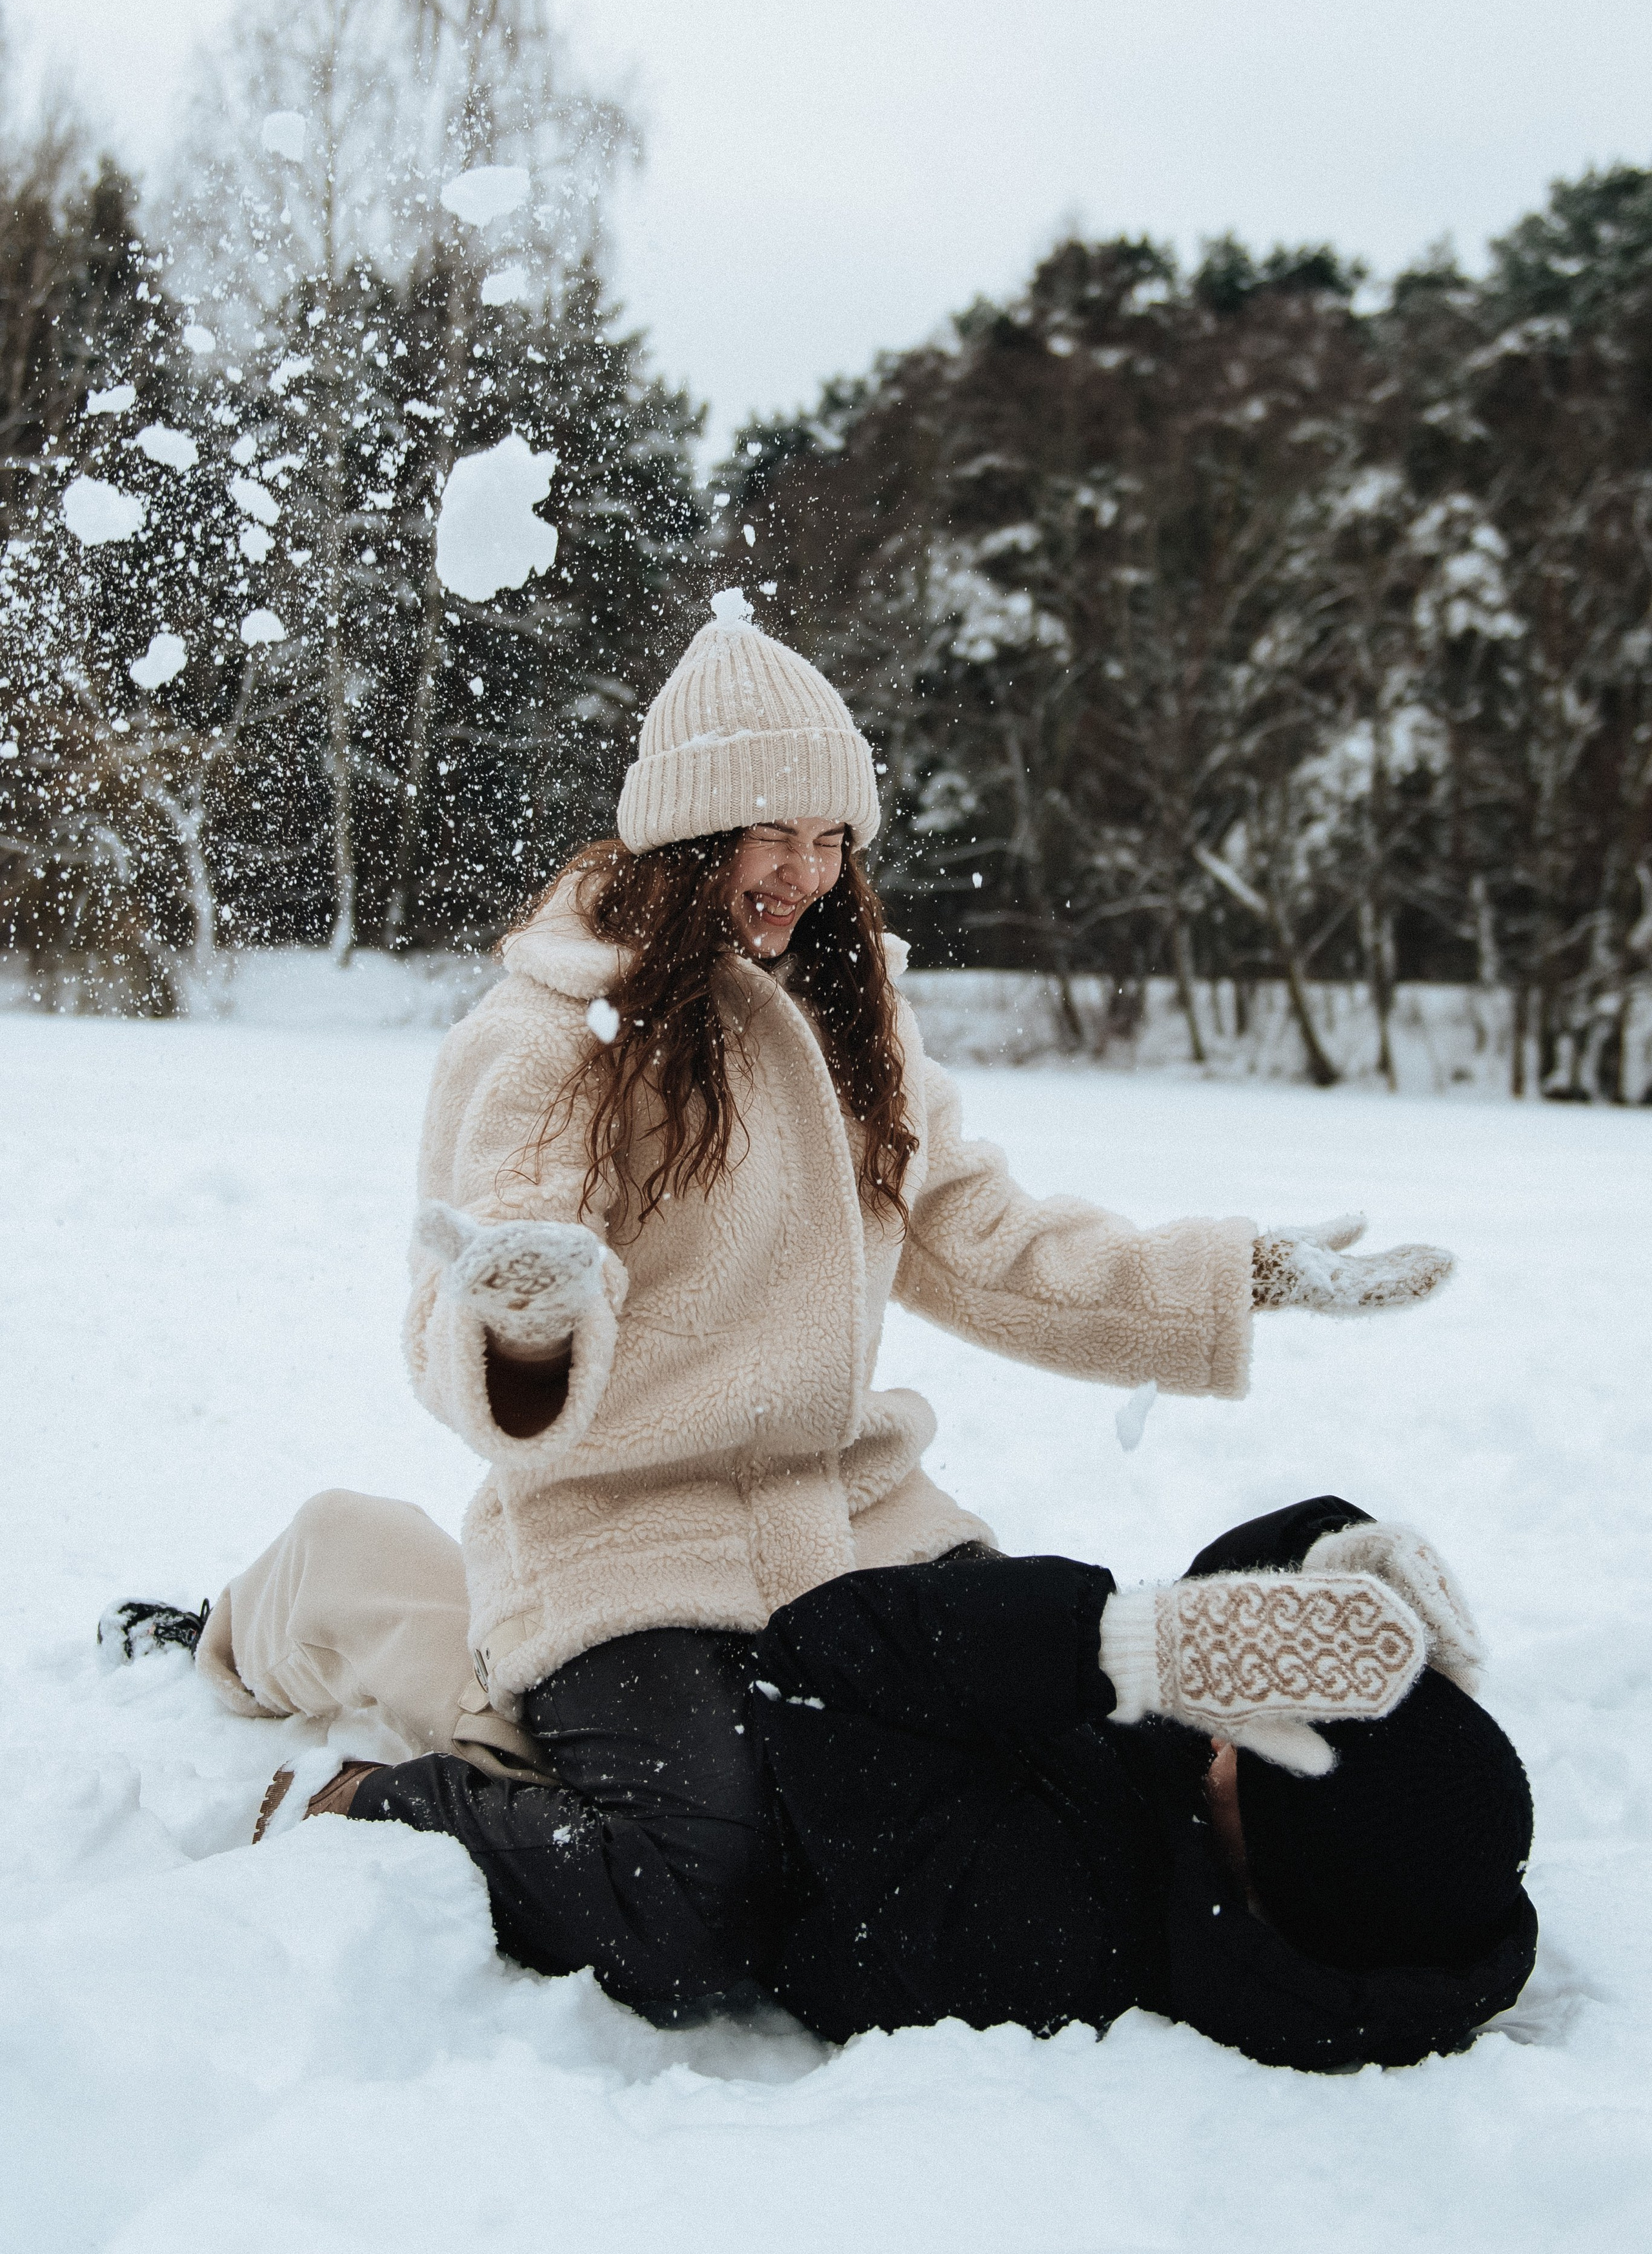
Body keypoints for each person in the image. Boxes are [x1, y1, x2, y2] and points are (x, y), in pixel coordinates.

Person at [108, 589, 1465, 2044]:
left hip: (854, 1522)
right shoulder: (548, 1042)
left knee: (1030, 1768)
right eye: (770, 833)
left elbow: (987, 1244)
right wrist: (522, 1315)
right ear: (685, 833)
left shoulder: (850, 1025)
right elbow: (474, 1322)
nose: (803, 874)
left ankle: (491, 1690)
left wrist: (1230, 1274)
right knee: (695, 1890)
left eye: (832, 841)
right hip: (628, 1536)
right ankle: (375, 1752)